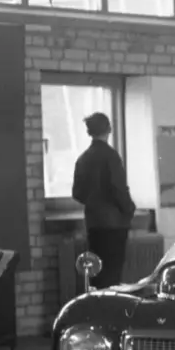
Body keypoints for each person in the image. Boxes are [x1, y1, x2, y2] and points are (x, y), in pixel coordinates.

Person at [71, 112, 136, 289]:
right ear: (109, 130)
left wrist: (94, 202)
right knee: (113, 275)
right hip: (115, 225)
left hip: (93, 223)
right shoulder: (112, 157)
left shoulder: (83, 159)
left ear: (89, 132)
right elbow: (119, 189)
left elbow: (77, 193)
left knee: (96, 273)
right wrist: (129, 210)